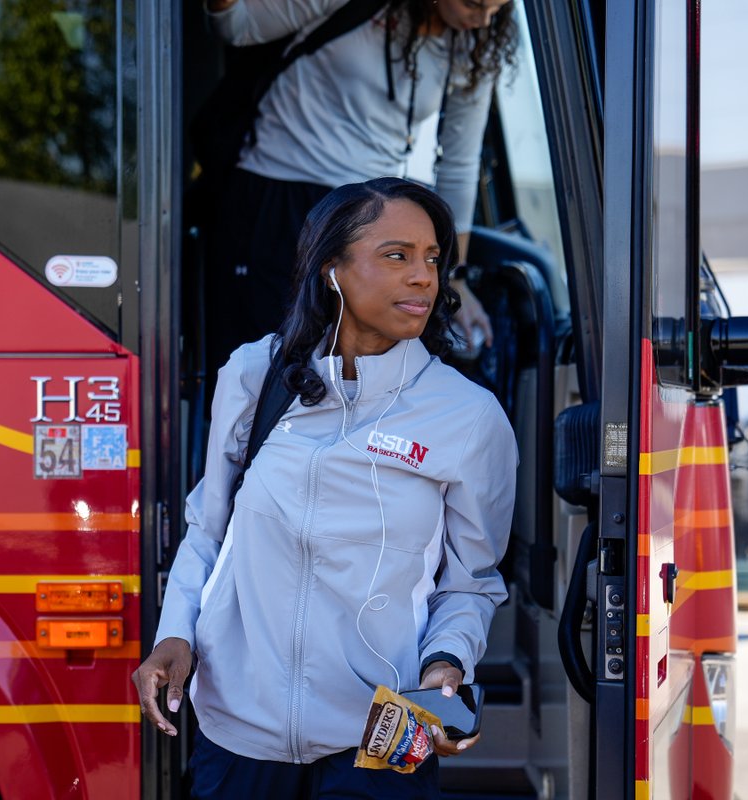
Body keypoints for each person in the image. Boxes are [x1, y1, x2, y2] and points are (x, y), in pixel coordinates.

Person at [134, 178, 517, 798]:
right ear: (331, 270)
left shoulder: (468, 416)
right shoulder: (254, 374)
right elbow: (209, 529)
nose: (424, 277)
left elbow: (471, 582)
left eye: (433, 259)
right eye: (397, 256)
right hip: (238, 730)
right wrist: (174, 634)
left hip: (393, 734)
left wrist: (446, 666)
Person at [200, 0, 518, 388]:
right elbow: (238, 26)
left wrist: (455, 278)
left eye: (497, 10)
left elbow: (461, 163)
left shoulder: (476, 43)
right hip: (278, 196)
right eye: (475, 4)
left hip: (364, 216)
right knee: (262, 370)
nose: (483, 19)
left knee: (342, 377)